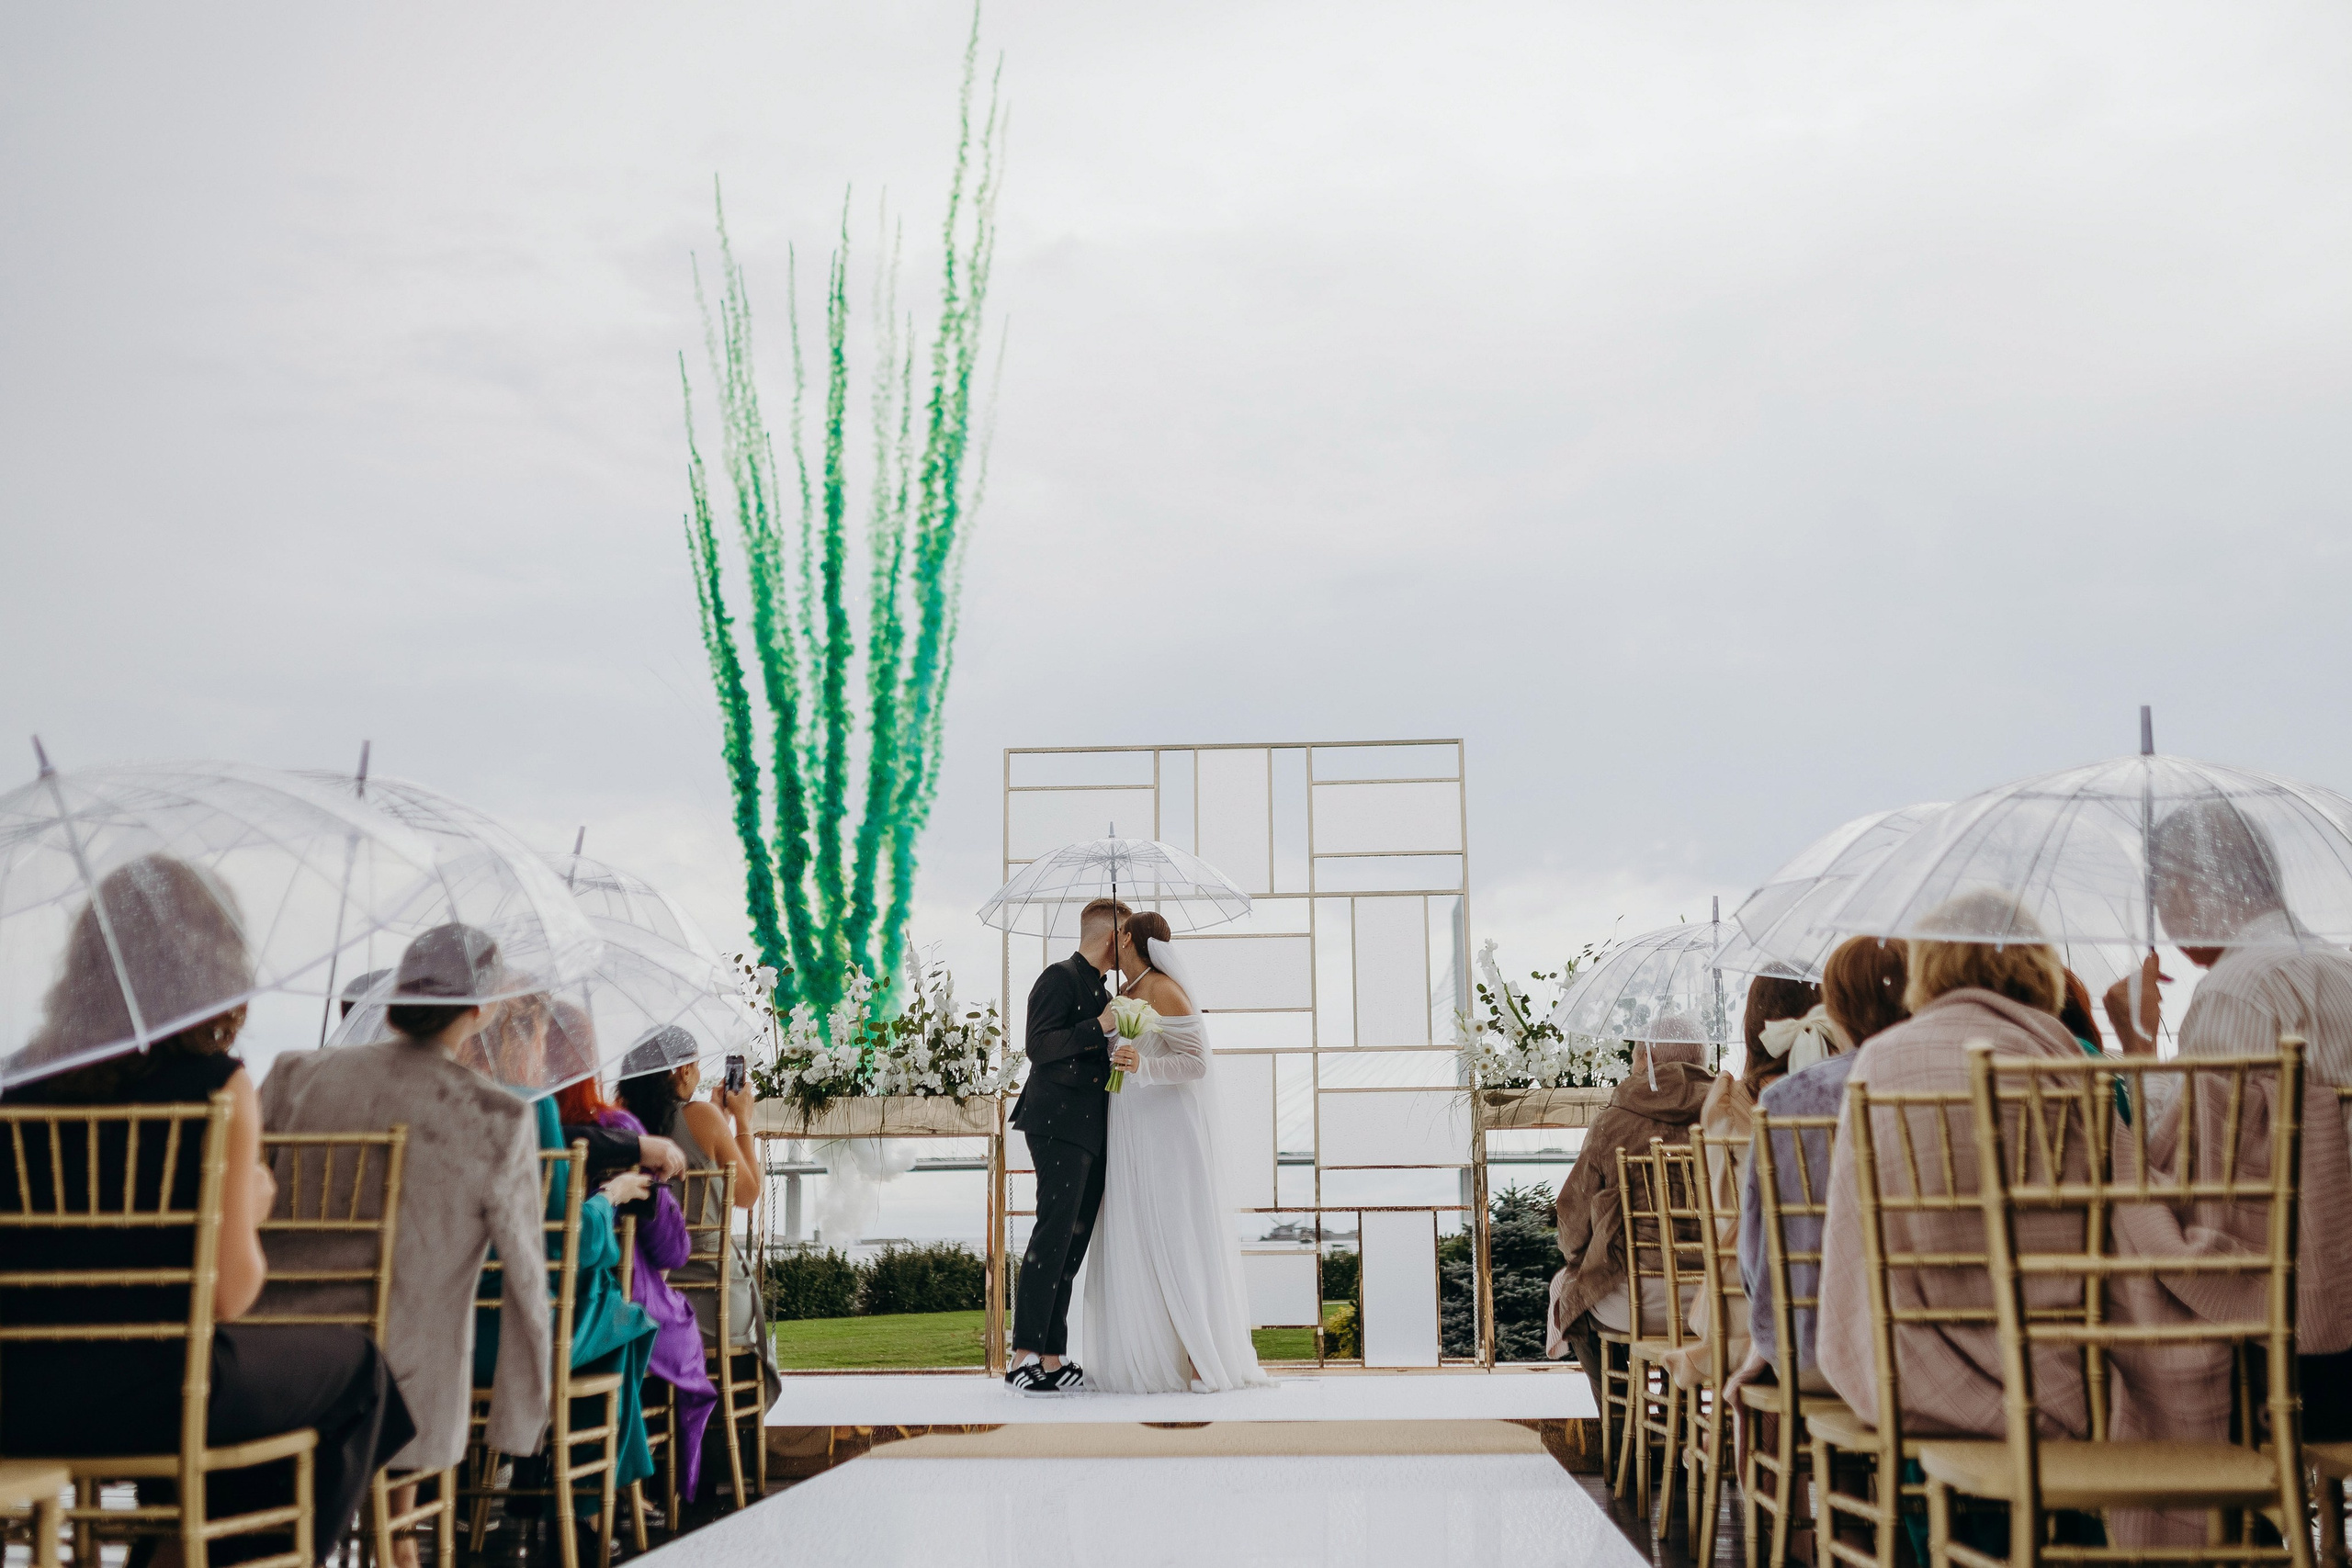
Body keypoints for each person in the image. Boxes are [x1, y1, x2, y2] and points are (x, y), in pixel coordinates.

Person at [6, 855, 413, 1567]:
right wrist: (250, 1207)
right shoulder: (218, 1087)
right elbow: (231, 1294)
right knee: (357, 1372)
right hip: (154, 1392)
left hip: (17, 1390)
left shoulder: (16, 1085)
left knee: (261, 1377)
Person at [260, 924, 550, 1562]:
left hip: (273, 1366)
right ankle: (397, 1546)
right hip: (409, 1384)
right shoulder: (499, 1116)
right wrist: (518, 1422)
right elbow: (528, 1278)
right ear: (484, 1006)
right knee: (410, 1349)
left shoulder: (293, 1076)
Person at [2100, 799, 2352, 1439]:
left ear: (2184, 886)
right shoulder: (2339, 966)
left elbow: (2189, 1171)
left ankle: (2215, 1519)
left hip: (2299, 1338)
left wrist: (2132, 1043)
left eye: (2162, 893)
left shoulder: (2239, 988)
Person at [467, 994, 661, 1510]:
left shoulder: (430, 1099)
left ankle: (561, 1490)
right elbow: (567, 1245)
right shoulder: (529, 1107)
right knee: (618, 1309)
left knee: (606, 1302)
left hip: (434, 1324)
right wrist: (610, 1198)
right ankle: (594, 1498)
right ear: (521, 1037)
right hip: (512, 1335)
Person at [1081, 911, 1270, 1393]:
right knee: (1139, 1234)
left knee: (1177, 1235)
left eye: (1118, 935)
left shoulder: (1164, 988)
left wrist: (1142, 1063)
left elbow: (1197, 1063)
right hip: (1130, 1123)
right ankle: (1147, 1358)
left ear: (1127, 938)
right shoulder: (1125, 994)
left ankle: (1202, 1361)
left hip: (1167, 1131)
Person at [1737, 935, 1906, 1387]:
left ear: (1836, 1006)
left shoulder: (1785, 1100)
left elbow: (1752, 1260)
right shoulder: (1935, 1085)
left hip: (1808, 1353)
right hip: (1924, 1350)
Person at [556, 1052, 718, 1505]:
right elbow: (672, 1247)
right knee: (657, 1330)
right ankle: (663, 1490)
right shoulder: (620, 1129)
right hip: (607, 1303)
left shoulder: (514, 1123)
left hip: (519, 1300)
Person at [611, 1027, 780, 1452]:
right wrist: (742, 1120)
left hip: (643, 1291)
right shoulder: (702, 1116)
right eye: (697, 1065)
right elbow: (746, 1193)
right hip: (712, 1292)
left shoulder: (620, 1124)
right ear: (684, 1068)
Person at [1545, 1014, 1714, 1413]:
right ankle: (1685, 1424)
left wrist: (1578, 1261)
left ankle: (1625, 1431)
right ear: (1701, 1061)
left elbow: (1574, 1228)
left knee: (1573, 1298)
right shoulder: (1730, 1114)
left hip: (1641, 1298)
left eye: (1636, 1056)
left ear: (1646, 1061)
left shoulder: (1613, 1122)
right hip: (1721, 1297)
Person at [1004, 897, 1130, 1394]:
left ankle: (1052, 1358)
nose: (1129, 947)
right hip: (1056, 1125)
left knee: (1071, 1244)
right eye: (1126, 938)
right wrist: (1098, 1028)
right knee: (1052, 1237)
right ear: (1110, 939)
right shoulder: (1057, 978)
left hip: (1091, 1129)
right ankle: (1021, 1359)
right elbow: (1040, 1046)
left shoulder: (1103, 990)